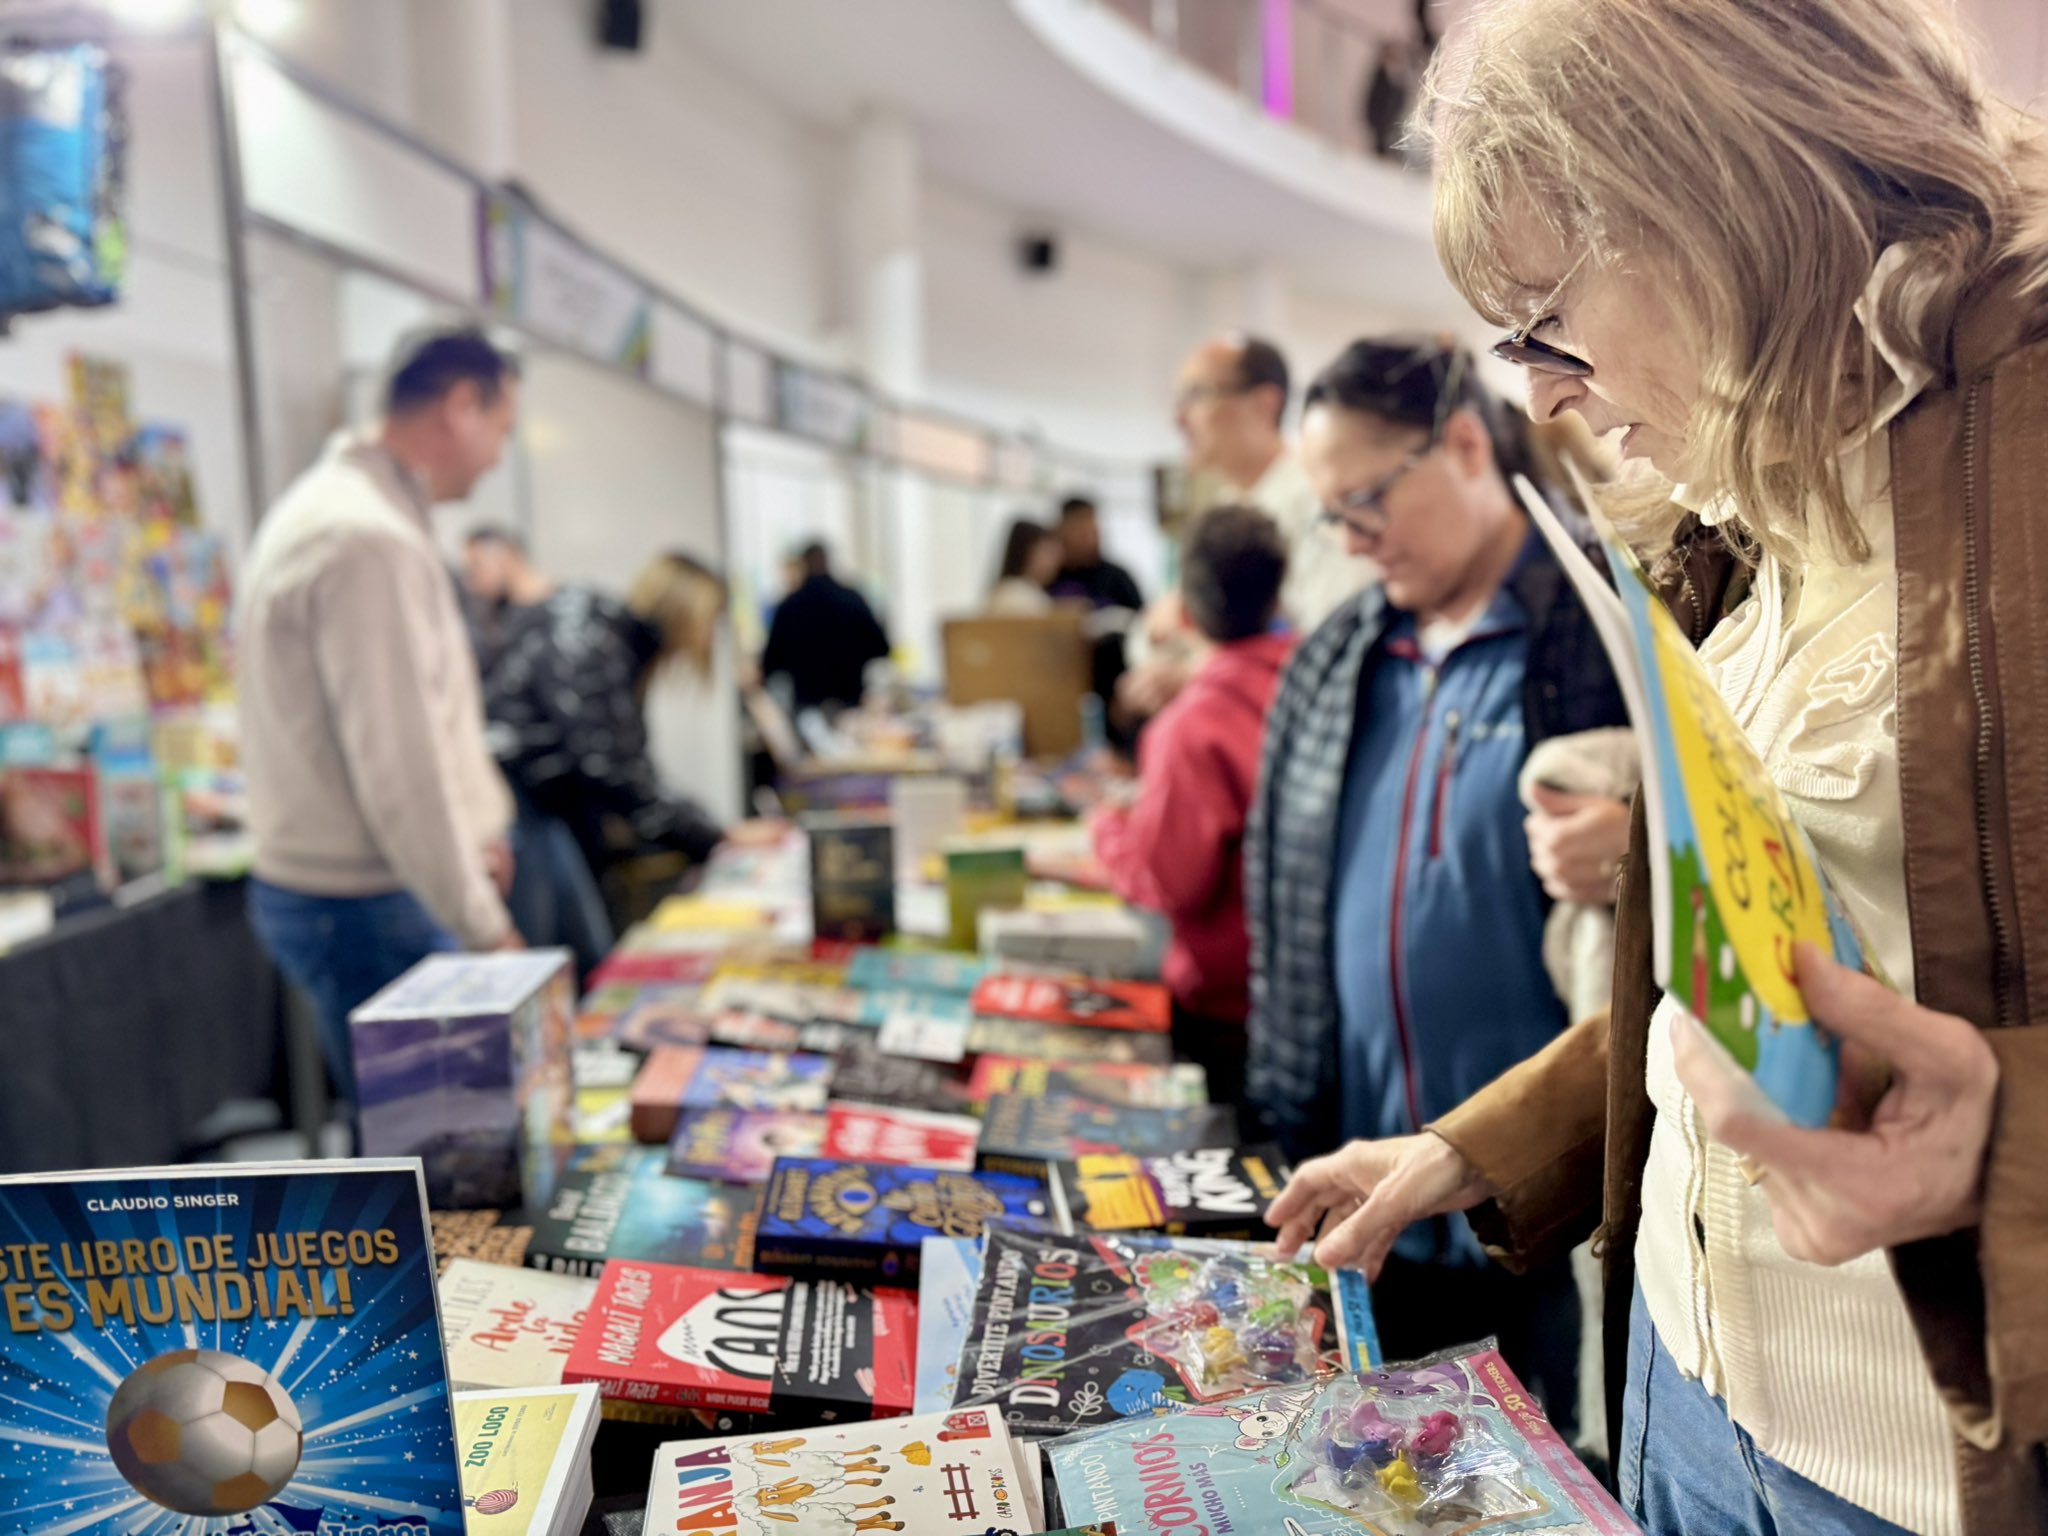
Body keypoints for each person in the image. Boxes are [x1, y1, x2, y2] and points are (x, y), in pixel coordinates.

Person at [1265, 3, 2048, 1531]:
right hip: (1685, 1390)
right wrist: (1475, 1146)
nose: (1545, 392)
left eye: (1547, 321)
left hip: (1922, 1470)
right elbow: (1755, 975)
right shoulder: (1754, 502)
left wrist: (2010, 1140)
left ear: (1721, 204)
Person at [1246, 336, 1633, 1436]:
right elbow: (1281, 910)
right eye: (1332, 515)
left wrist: (1635, 850)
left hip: (1551, 1202)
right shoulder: (1340, 660)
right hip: (1364, 1191)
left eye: (1364, 500)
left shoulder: (1601, 626)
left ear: (1462, 444)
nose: (1351, 540)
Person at [240, 328, 521, 1103]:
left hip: (365, 893)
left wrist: (476, 832)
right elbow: (401, 760)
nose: (500, 455)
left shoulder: (354, 513)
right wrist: (483, 924)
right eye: (503, 428)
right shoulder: (365, 535)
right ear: (462, 405)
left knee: (428, 1153)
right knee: (443, 1165)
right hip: (370, 899)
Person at [1091, 505, 1293, 1097]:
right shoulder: (1319, 678)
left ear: (1181, 608)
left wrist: (1107, 828)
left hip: (1228, 1011)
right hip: (1313, 996)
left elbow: (1168, 880)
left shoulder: (1192, 726)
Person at [486, 551, 732, 968]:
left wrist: (711, 833)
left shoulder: (607, 639)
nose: (710, 639)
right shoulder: (591, 638)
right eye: (712, 624)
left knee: (575, 960)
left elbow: (626, 765)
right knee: (550, 966)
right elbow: (613, 770)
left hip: (536, 808)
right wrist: (714, 838)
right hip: (521, 810)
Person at [1174, 333, 1376, 633]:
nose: (1178, 419)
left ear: (1264, 403)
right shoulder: (1227, 506)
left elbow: (1336, 634)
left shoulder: (1319, 500)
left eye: (1198, 394)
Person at [759, 540, 890, 713]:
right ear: (828, 562)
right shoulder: (853, 600)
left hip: (808, 708)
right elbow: (881, 648)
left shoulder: (789, 607)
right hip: (850, 704)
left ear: (804, 565)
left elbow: (771, 662)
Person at [460, 523, 548, 678]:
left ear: (506, 557)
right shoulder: (495, 615)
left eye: (477, 568)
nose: (472, 584)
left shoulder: (562, 610)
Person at [1047, 496, 1144, 613]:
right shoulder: (1049, 577)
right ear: (1061, 531)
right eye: (1081, 532)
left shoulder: (1116, 578)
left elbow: (1142, 620)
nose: (1091, 538)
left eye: (1093, 529)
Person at [986, 517, 1063, 616]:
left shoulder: (1031, 592)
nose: (1056, 561)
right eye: (1048, 552)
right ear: (1024, 552)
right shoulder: (1014, 595)